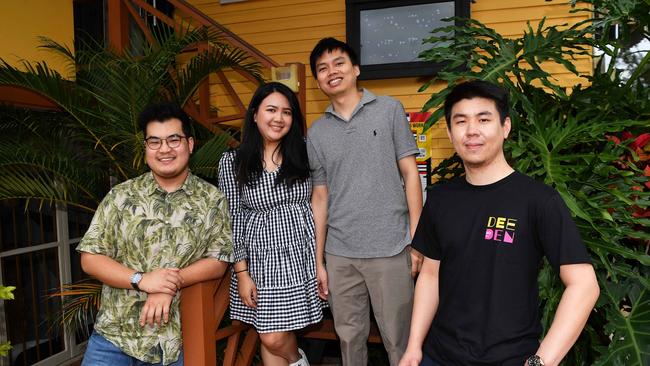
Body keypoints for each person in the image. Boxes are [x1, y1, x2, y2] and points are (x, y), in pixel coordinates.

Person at [399, 80, 600, 366]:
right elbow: (430, 274)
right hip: (439, 355)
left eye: (483, 119)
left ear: (505, 127)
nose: (472, 131)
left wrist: (540, 362)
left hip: (510, 358)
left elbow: (584, 285)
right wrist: (414, 346)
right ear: (450, 132)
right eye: (461, 121)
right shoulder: (441, 198)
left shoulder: (539, 200)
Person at [77, 102, 234, 366]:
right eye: (155, 141)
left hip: (171, 342)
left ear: (190, 144)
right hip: (113, 337)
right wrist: (142, 280)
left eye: (174, 139)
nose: (165, 149)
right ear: (146, 148)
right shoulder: (121, 196)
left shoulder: (212, 200)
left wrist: (167, 283)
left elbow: (218, 261)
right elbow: (90, 258)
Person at [307, 37, 424, 366]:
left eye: (339, 63)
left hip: (391, 248)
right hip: (340, 254)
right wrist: (319, 261)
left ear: (356, 69)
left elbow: (411, 175)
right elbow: (320, 196)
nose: (332, 72)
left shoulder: (389, 110)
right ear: (318, 81)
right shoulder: (316, 133)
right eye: (323, 68)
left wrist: (418, 239)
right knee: (348, 340)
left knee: (399, 340)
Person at [218, 82, 323, 366]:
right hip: (262, 260)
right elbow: (233, 219)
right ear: (254, 114)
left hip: (302, 253)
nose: (279, 118)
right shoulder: (232, 161)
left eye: (287, 112)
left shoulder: (305, 151)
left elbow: (323, 199)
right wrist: (241, 272)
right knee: (270, 335)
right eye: (271, 110)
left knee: (272, 336)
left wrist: (321, 260)